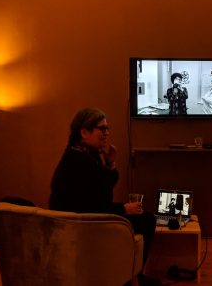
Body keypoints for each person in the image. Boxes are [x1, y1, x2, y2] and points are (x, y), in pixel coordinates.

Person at [49, 107, 160, 286]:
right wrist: (123, 209)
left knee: (144, 218)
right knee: (146, 220)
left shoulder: (84, 154)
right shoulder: (77, 162)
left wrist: (109, 163)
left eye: (107, 128)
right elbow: (88, 206)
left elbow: (102, 189)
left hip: (88, 218)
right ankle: (128, 278)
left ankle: (133, 275)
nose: (107, 133)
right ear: (84, 132)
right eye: (102, 129)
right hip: (81, 226)